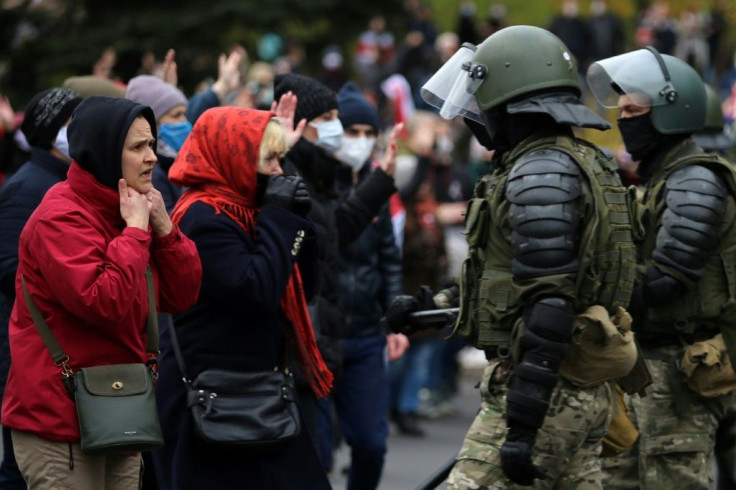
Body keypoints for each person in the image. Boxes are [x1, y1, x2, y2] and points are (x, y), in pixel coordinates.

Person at [386, 25, 638, 487]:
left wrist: (522, 424)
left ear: (511, 98)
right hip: (576, 388)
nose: (472, 116)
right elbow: (512, 273)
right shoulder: (563, 161)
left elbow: (550, 303)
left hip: (546, 389)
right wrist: (434, 307)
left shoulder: (541, 171)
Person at [0, 95, 202, 489]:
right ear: (105, 152)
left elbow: (183, 295)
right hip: (59, 421)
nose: (152, 158)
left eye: (152, 145)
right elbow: (103, 301)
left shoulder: (130, 207)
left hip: (120, 410)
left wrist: (165, 230)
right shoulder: (61, 215)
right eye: (138, 147)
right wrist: (134, 233)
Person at [153, 106, 332, 489]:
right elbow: (256, 290)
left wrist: (300, 222)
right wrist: (280, 219)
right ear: (234, 158)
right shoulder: (202, 218)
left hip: (256, 394)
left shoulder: (249, 213)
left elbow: (309, 286)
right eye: (268, 159)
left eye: (280, 159)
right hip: (213, 401)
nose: (279, 172)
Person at [587, 46, 736, 490]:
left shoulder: (695, 180)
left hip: (679, 369)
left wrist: (589, 280)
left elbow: (665, 280)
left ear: (671, 112)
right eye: (623, 109)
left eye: (635, 110)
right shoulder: (663, 178)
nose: (624, 119)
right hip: (649, 367)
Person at [273, 73, 400, 459]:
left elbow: (334, 234)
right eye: (328, 117)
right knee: (314, 456)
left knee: (362, 445)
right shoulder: (287, 177)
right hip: (300, 344)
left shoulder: (314, 174)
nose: (338, 128)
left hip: (334, 336)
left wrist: (380, 181)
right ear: (299, 123)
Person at [316, 81, 408, 489]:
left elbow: (388, 256)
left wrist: (394, 320)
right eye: (353, 132)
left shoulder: (375, 181)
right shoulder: (319, 182)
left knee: (371, 444)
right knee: (317, 451)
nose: (362, 141)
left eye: (369, 134)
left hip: (366, 334)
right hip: (319, 335)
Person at [0, 87, 82, 490]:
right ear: (53, 133)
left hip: (52, 346)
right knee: (22, 467)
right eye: (73, 123)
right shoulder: (27, 188)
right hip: (26, 349)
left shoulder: (63, 180)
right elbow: (11, 271)